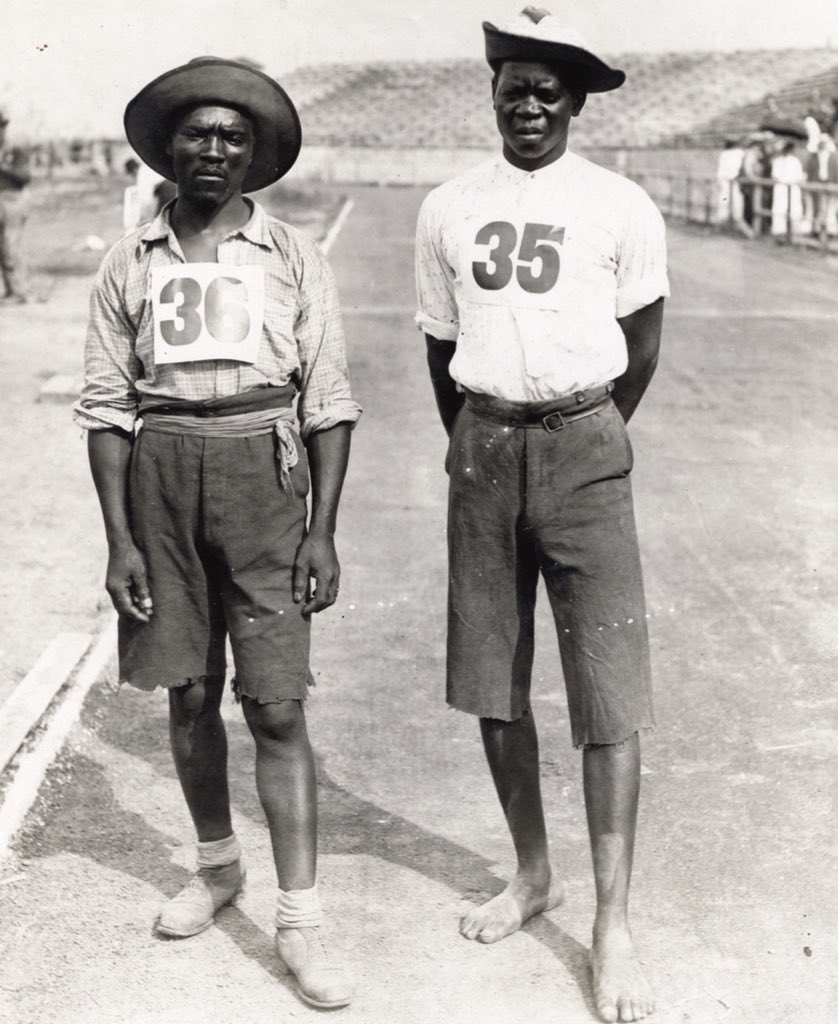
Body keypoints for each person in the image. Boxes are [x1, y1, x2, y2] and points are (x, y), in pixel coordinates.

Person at [74, 57, 361, 1010]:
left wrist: (321, 531)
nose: (214, 150)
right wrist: (120, 539)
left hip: (263, 478)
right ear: (169, 147)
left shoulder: (292, 255)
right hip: (162, 475)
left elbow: (328, 403)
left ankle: (302, 921)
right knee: (189, 693)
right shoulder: (131, 258)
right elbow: (108, 409)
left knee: (276, 707)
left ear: (255, 155)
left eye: (233, 137)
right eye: (197, 134)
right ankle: (216, 864)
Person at [415, 9, 668, 1023]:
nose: (528, 102)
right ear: (492, 94)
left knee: (609, 691)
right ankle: (531, 874)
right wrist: (483, 434)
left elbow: (640, 341)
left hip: (583, 444)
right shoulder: (447, 206)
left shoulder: (619, 203)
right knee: (493, 675)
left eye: (545, 87)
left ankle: (611, 922)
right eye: (511, 84)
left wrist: (584, 427)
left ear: (574, 99)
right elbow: (440, 348)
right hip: (483, 443)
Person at [0, 108, 32, 303]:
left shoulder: (14, 149)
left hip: (13, 199)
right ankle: (11, 290)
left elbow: (25, 176)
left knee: (12, 245)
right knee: (3, 247)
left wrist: (2, 167)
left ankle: (20, 292)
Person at [770, 140, 805, 238]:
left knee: (788, 208)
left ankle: (787, 231)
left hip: (787, 187)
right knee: (784, 208)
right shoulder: (784, 161)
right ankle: (785, 231)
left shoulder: (789, 161)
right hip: (785, 187)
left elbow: (775, 175)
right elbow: (775, 176)